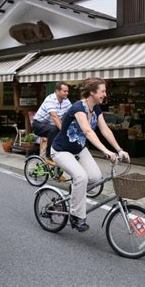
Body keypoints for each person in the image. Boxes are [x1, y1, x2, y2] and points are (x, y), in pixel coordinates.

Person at [51, 77, 130, 232]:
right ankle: (76, 216)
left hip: (79, 149)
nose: (105, 94)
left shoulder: (97, 108)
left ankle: (74, 192)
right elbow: (87, 131)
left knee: (95, 177)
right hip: (61, 150)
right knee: (81, 177)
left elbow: (105, 130)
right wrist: (106, 151)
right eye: (102, 91)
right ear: (92, 92)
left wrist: (119, 149)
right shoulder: (78, 108)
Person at [32, 82, 71, 164]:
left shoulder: (66, 101)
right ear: (57, 91)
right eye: (65, 91)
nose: (67, 93)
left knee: (60, 130)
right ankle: (49, 156)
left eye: (67, 91)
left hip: (52, 126)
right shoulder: (50, 99)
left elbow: (72, 113)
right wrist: (64, 132)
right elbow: (55, 117)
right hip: (38, 125)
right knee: (55, 129)